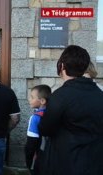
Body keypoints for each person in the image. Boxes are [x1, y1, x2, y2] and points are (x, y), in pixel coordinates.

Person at [38, 45, 103, 175]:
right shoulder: (99, 93)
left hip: (67, 163)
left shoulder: (59, 96)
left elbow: (45, 128)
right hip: (95, 163)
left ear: (62, 66)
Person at [25, 85, 51, 175]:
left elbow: (31, 142)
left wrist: (28, 160)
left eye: (32, 97)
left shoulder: (35, 118)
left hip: (37, 157)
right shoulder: (53, 114)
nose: (29, 99)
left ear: (42, 101)